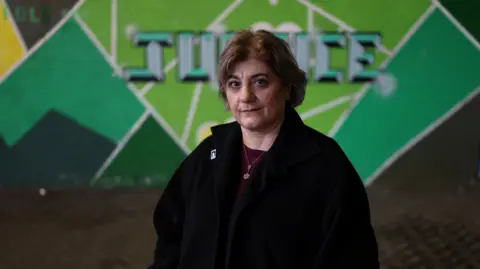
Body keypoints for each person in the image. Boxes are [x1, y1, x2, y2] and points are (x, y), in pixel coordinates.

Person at [148, 29, 379, 269]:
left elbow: (354, 258)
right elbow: (169, 234)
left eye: (260, 82)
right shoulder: (208, 155)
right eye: (234, 84)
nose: (246, 96)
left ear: (287, 87)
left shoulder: (327, 166)